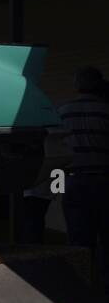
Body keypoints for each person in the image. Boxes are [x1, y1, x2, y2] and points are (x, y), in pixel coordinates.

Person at [57, 66, 109, 290]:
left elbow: (58, 149)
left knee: (78, 238)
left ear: (77, 85)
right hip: (104, 180)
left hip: (74, 180)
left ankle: (80, 285)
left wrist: (56, 185)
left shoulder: (63, 112)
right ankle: (105, 287)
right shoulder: (106, 110)